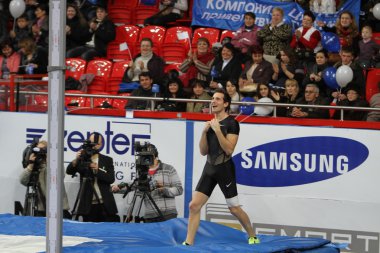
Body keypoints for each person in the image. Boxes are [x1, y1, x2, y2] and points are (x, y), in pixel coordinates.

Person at [183, 88, 259, 246]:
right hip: (209, 168)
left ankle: (252, 235)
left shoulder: (233, 123)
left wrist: (217, 131)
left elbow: (229, 150)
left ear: (225, 104)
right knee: (194, 205)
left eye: (217, 99)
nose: (213, 101)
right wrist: (204, 132)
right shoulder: (210, 123)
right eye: (213, 98)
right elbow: (203, 151)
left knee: (234, 209)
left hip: (225, 169)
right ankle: (188, 242)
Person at [112, 143, 183, 222]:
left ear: (155, 155)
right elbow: (135, 185)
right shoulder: (142, 171)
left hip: (168, 215)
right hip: (150, 216)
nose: (146, 159)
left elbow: (179, 189)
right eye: (143, 156)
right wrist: (118, 188)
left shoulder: (168, 169)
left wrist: (163, 189)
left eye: (148, 156)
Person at [66, 132, 118, 222]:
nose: (93, 146)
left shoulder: (107, 160)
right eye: (91, 142)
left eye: (96, 143)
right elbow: (69, 171)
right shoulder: (82, 160)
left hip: (105, 204)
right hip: (88, 205)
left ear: (101, 145)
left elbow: (110, 179)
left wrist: (98, 170)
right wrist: (76, 160)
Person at [20, 140, 71, 218]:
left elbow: (60, 177)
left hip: (59, 209)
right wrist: (30, 165)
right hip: (41, 209)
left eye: (42, 150)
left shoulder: (56, 163)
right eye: (37, 150)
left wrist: (50, 160)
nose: (39, 153)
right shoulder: (35, 166)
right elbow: (23, 181)